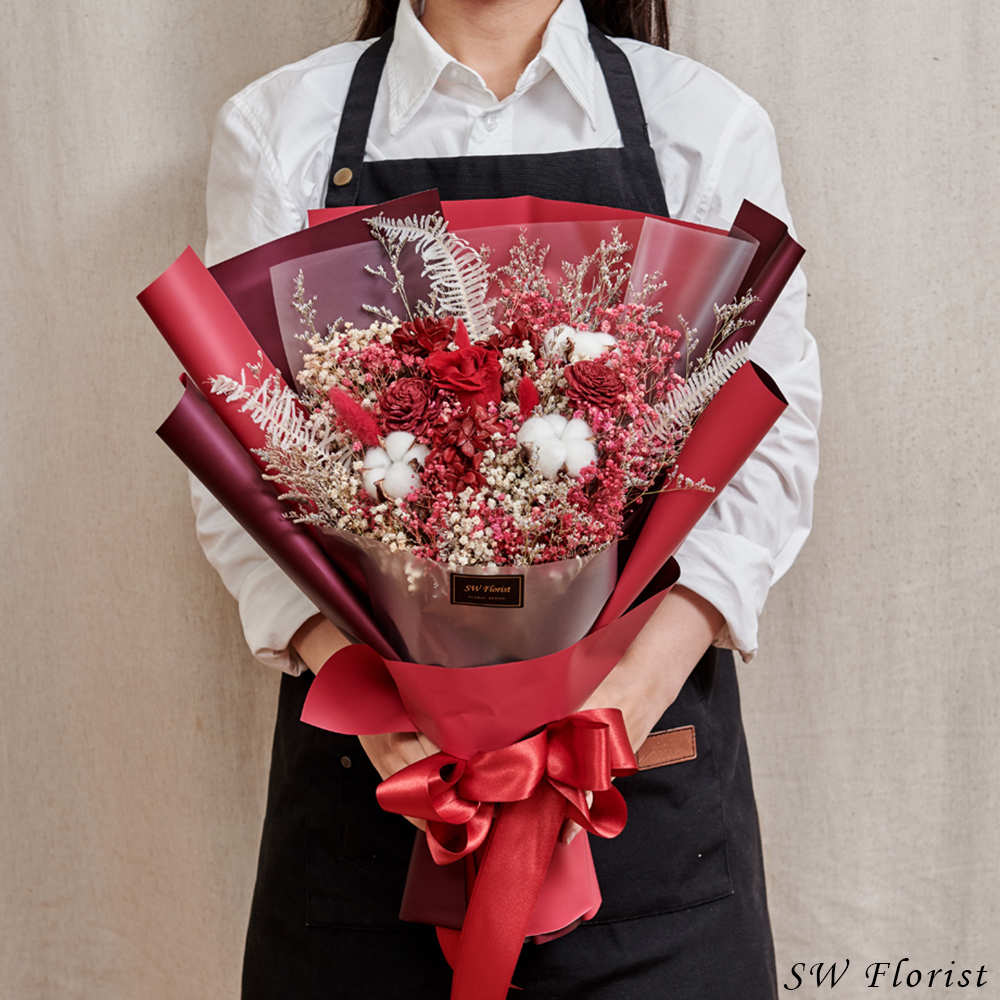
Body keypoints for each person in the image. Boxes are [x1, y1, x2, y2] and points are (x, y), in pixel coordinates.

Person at [195, 0, 821, 996]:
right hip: (376, 802)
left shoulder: (700, 124)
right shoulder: (282, 128)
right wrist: (378, 707)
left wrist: (616, 710)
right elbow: (243, 461)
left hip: (641, 794)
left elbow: (767, 444)